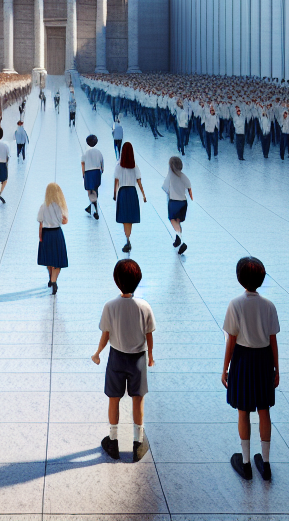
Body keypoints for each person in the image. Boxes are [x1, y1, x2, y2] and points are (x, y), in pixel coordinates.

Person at [91, 258, 155, 463]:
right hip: (138, 360)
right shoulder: (144, 306)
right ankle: (138, 441)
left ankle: (113, 440)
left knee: (114, 398)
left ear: (116, 281)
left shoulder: (110, 306)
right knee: (138, 399)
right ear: (138, 280)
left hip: (116, 358)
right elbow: (149, 334)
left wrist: (98, 352)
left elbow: (106, 334)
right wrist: (151, 355)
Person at [222, 256, 280, 482]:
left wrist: (225, 369)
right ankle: (265, 463)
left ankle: (245, 463)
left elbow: (231, 340)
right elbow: (273, 339)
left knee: (243, 410)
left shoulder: (235, 304)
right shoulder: (269, 306)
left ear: (240, 278)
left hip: (243, 359)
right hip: (264, 359)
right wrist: (276, 368)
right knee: (264, 409)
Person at [113, 142, 147, 254]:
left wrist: (114, 194)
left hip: (123, 193)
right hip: (132, 192)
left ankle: (127, 239)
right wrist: (143, 195)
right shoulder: (135, 167)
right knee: (130, 219)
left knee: (124, 219)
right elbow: (139, 181)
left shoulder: (119, 166)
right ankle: (128, 238)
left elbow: (116, 181)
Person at [37, 183, 69, 294]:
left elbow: (40, 224)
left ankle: (50, 278)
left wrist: (40, 237)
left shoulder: (43, 206)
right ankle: (54, 281)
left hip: (46, 234)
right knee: (57, 260)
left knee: (49, 259)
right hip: (57, 234)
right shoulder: (59, 206)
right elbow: (64, 221)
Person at [162, 156, 192, 255]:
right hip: (183, 202)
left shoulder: (170, 176)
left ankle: (182, 240)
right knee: (178, 221)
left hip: (173, 202)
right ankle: (178, 239)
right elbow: (188, 186)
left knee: (172, 220)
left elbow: (165, 188)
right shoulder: (183, 176)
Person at [81, 134, 104, 219]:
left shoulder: (85, 153)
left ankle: (94, 208)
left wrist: (83, 174)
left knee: (89, 191)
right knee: (95, 189)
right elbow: (102, 163)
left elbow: (83, 164)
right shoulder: (99, 152)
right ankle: (93, 208)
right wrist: (101, 170)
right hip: (97, 172)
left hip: (88, 172)